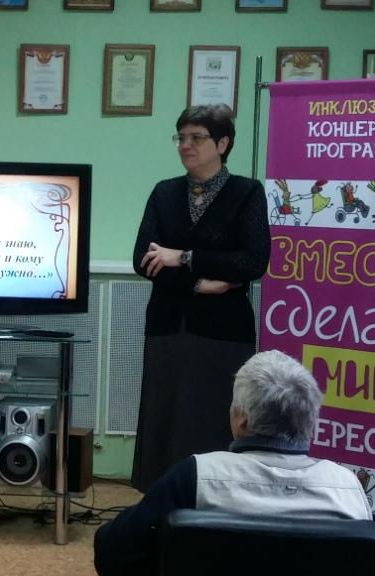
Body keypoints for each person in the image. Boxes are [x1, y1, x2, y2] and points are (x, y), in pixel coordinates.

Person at [94, 350, 373, 576]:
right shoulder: (348, 487)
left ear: (241, 420)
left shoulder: (195, 475)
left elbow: (111, 552)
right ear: (310, 424)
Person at [131, 104, 270, 493]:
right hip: (168, 327)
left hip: (223, 332)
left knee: (214, 419)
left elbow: (253, 261)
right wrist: (197, 285)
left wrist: (183, 257)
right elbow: (143, 259)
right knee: (165, 419)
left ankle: (215, 504)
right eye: (181, 137)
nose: (185, 145)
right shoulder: (164, 192)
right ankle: (162, 503)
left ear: (222, 144)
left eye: (196, 137)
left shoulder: (247, 192)